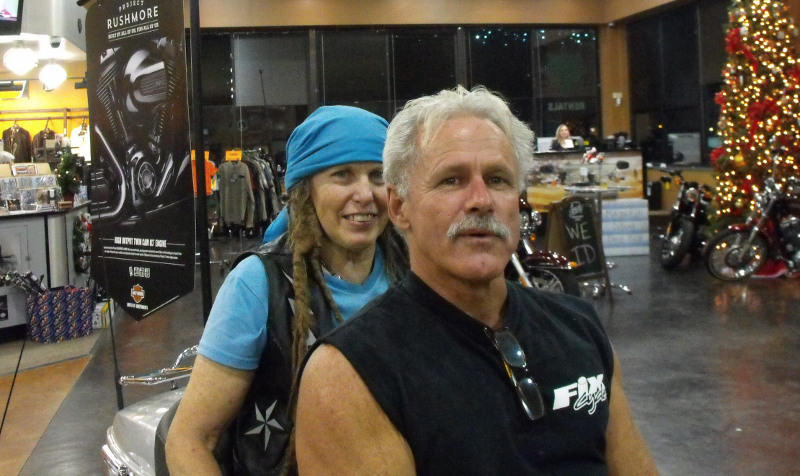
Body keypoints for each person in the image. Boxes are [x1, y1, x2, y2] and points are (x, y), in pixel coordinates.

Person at [295, 86, 658, 475]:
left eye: (498, 179)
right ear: (399, 207)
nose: (481, 200)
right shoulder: (350, 374)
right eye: (452, 180)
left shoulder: (580, 330)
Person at [165, 105, 405, 475]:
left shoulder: (411, 268)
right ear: (305, 191)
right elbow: (190, 440)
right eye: (342, 175)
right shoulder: (259, 284)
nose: (365, 194)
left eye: (377, 175)